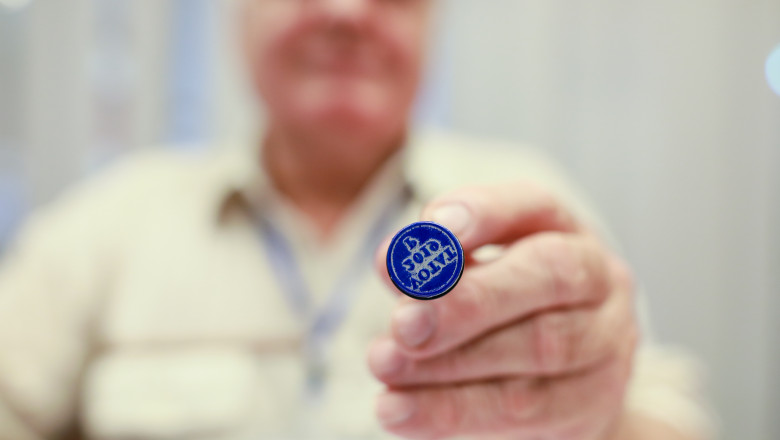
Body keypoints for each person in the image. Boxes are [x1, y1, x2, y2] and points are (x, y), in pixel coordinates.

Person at [0, 0, 711, 439]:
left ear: (432, 22)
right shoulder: (106, 223)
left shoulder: (529, 210)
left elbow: (678, 420)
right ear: (239, 14)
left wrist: (600, 416)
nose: (345, 10)